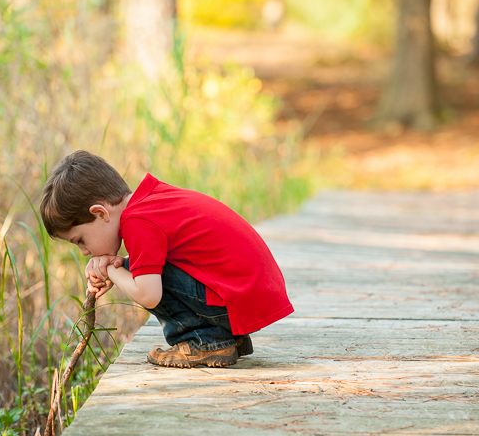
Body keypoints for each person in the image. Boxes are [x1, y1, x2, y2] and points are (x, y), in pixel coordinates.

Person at [40, 150, 294, 368]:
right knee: (139, 268)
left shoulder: (137, 221)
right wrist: (119, 266)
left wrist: (112, 270)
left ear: (100, 213)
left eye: (80, 240)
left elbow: (149, 293)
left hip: (242, 297)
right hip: (251, 295)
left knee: (141, 274)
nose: (84, 251)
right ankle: (225, 337)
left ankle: (205, 341)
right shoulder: (152, 202)